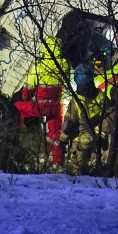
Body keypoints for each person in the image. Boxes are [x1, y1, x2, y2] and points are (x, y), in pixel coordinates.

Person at [15, 36, 69, 166]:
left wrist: (24, 98)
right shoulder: (64, 64)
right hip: (57, 105)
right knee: (55, 136)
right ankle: (58, 162)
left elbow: (28, 88)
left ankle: (14, 140)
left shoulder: (40, 67)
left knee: (16, 106)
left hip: (40, 106)